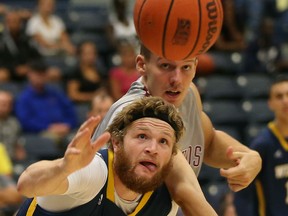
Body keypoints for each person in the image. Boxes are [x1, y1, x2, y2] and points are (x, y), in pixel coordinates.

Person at [92, 44, 262, 215]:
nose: (177, 79)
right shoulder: (135, 114)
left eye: (186, 67)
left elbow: (208, 142)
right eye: (166, 66)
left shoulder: (187, 95)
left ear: (196, 66)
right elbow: (184, 192)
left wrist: (250, 157)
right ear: (142, 65)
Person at [16, 96, 217, 215]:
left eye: (163, 141)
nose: (152, 148)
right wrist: (64, 168)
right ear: (116, 143)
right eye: (142, 136)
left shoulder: (164, 204)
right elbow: (26, 184)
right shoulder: (94, 173)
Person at [234, 74, 288, 216]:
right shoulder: (262, 144)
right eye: (279, 96)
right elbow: (243, 195)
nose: (285, 101)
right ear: (270, 103)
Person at [15, 61, 78, 147]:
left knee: (82, 137)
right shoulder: (24, 98)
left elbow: (70, 111)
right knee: (62, 141)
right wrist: (48, 127)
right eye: (37, 74)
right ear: (29, 75)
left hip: (65, 129)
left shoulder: (55, 93)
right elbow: (26, 122)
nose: (40, 77)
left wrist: (67, 125)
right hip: (41, 133)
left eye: (43, 74)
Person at [0, 8, 41, 82]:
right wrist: (14, 69)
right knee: (2, 74)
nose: (13, 24)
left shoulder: (26, 38)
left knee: (46, 73)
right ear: (5, 24)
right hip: (8, 70)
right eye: (10, 22)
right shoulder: (1, 38)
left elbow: (37, 56)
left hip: (27, 70)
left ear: (20, 23)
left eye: (16, 21)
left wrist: (28, 67)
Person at [0, 90, 24, 161]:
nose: (1, 107)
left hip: (12, 160)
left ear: (11, 107)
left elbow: (18, 145)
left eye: (4, 104)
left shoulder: (14, 123)